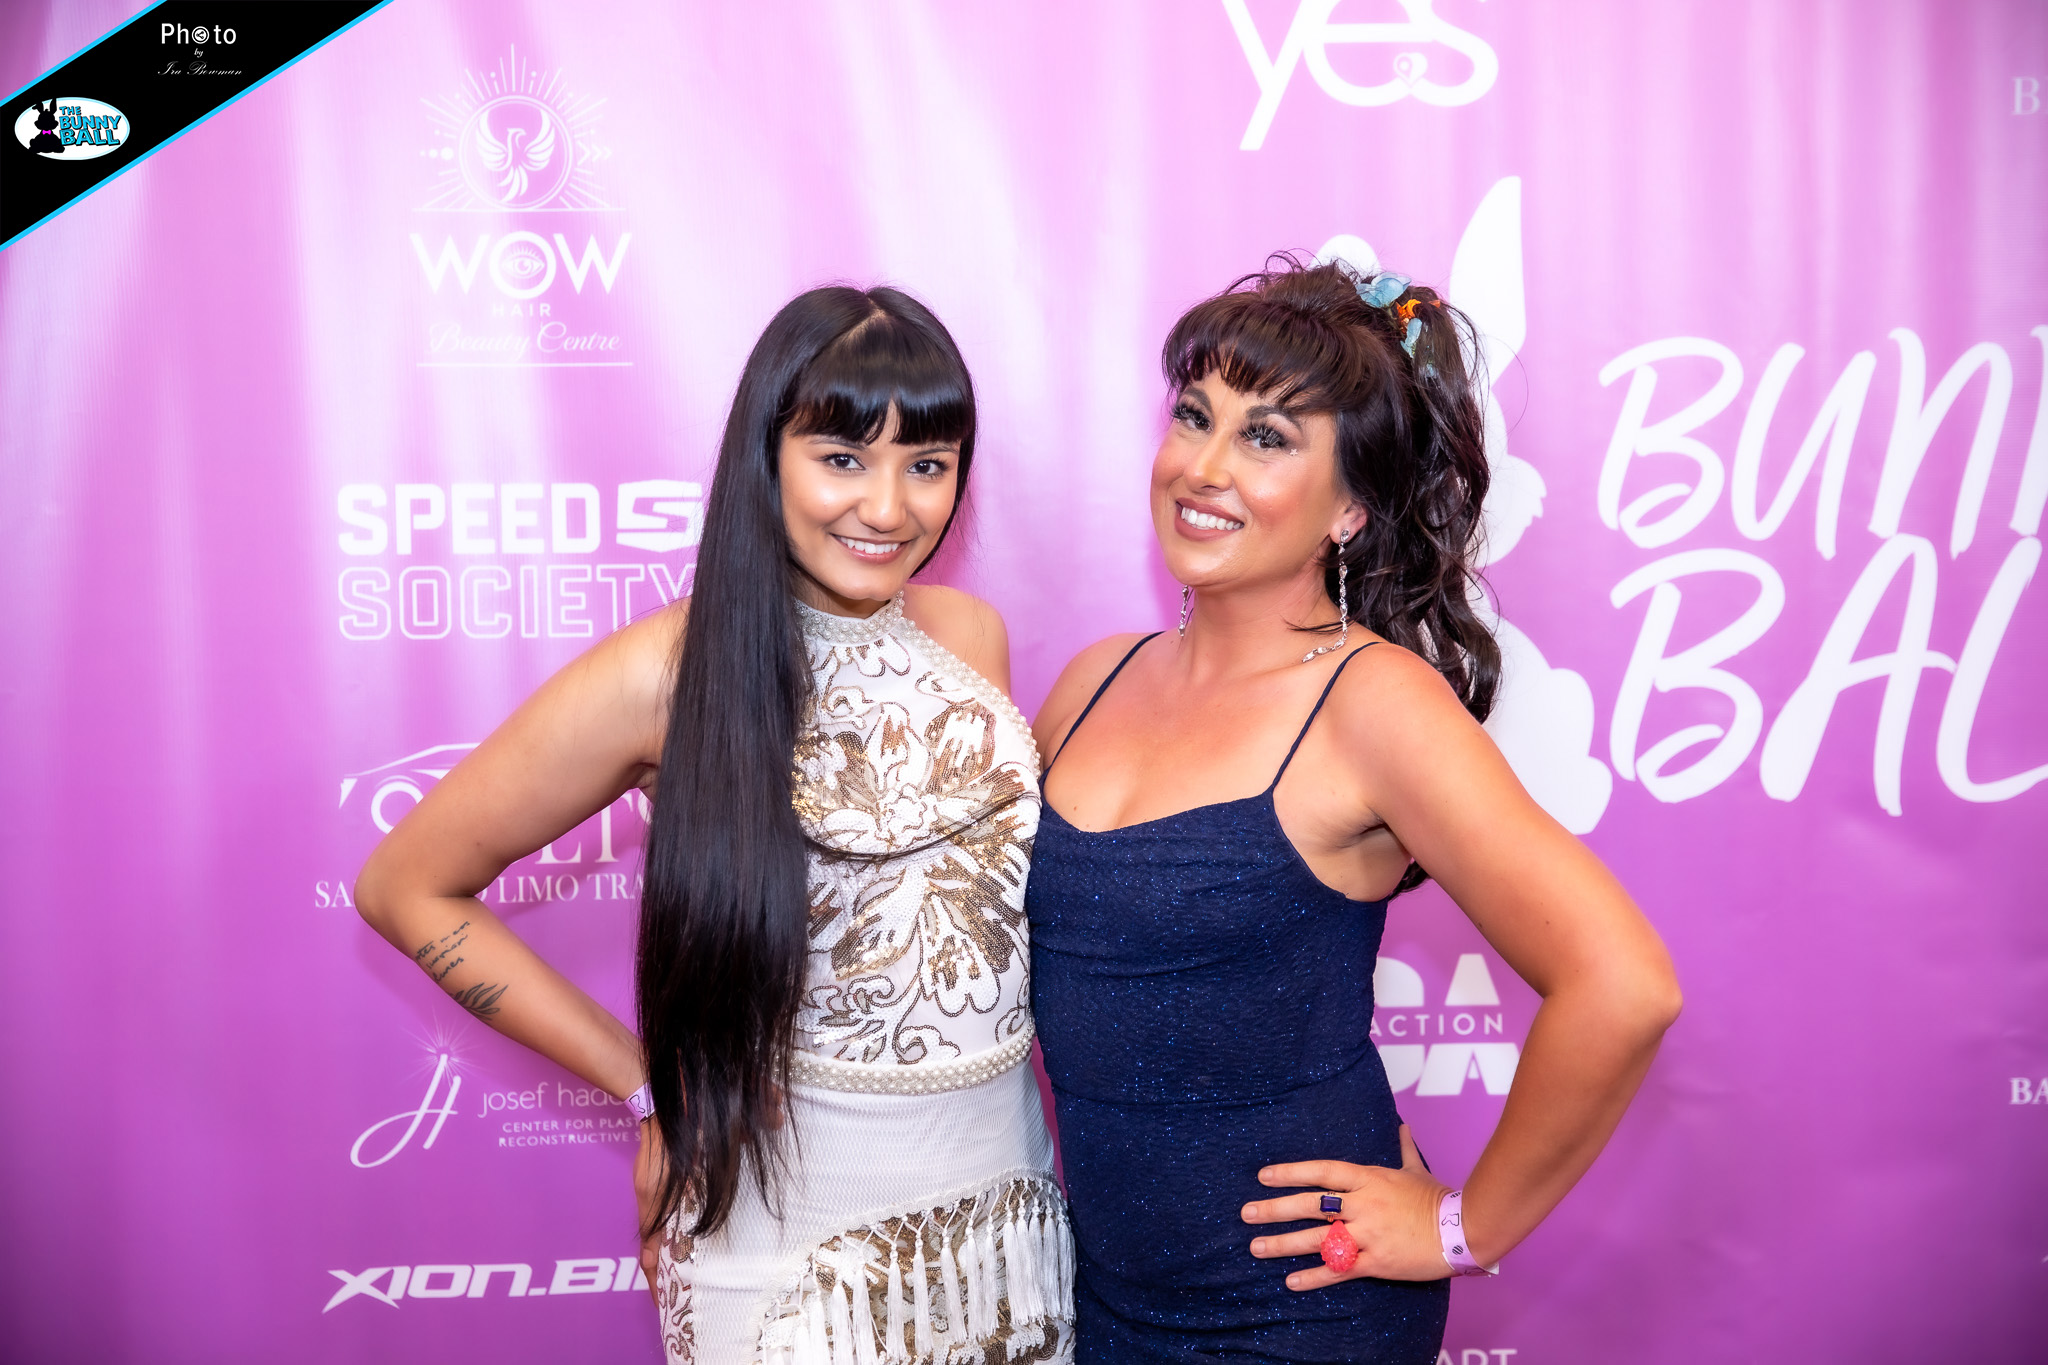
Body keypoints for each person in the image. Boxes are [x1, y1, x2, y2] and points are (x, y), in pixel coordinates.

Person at [356, 285, 1074, 1365]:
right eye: (842, 457)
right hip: (781, 1243)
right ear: (766, 456)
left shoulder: (971, 635)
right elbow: (404, 886)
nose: (888, 507)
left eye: (926, 464)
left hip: (1004, 1221)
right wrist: (645, 1085)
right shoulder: (666, 671)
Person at [1025, 256, 1682, 1363]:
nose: (1202, 467)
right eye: (1194, 416)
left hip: (1301, 1311)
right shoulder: (1094, 679)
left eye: (1266, 438)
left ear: (1349, 509)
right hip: (1104, 1300)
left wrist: (1464, 1227)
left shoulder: (1374, 703)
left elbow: (1624, 984)